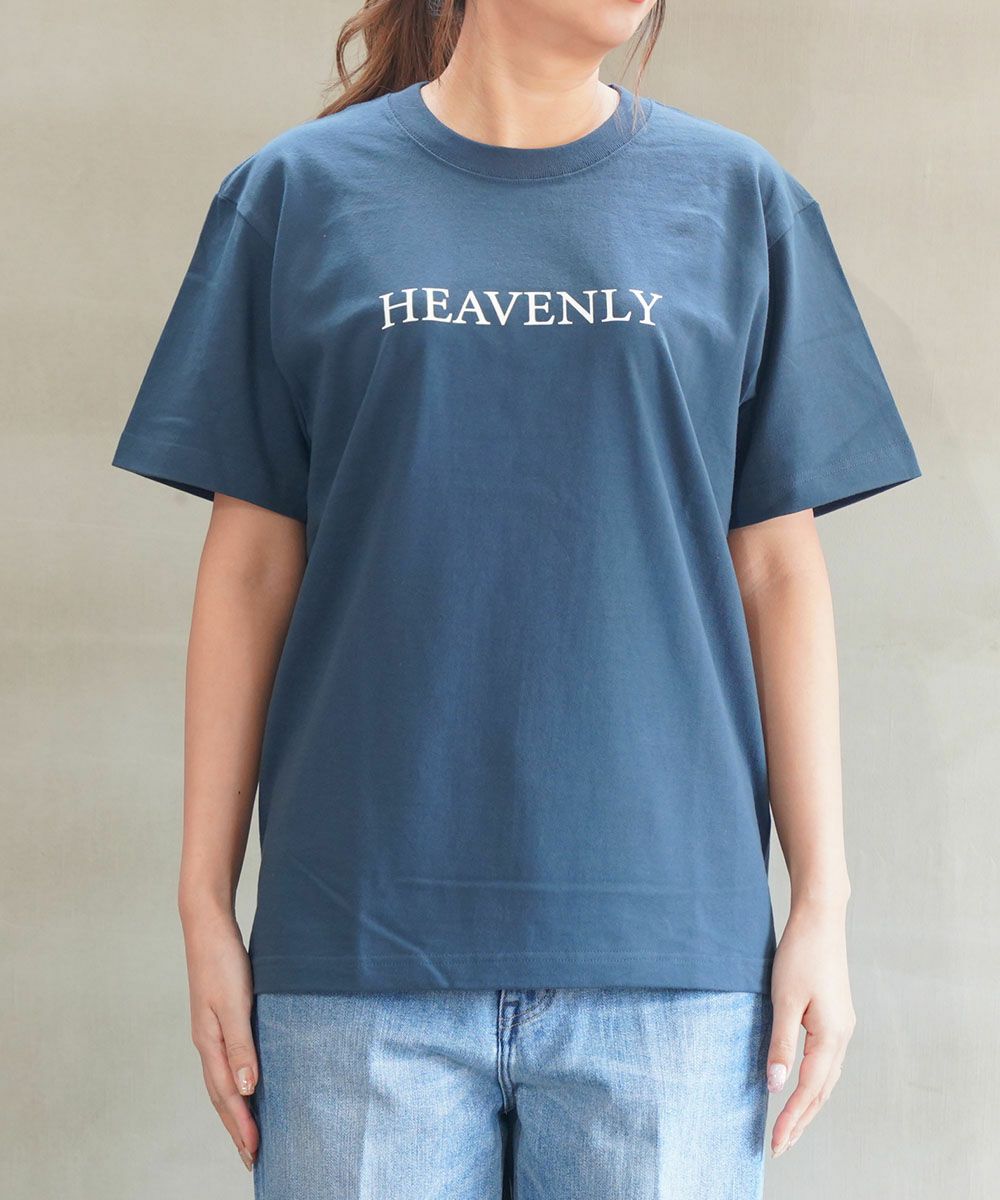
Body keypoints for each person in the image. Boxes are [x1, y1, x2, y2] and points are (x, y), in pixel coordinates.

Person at [110, 1, 922, 1196]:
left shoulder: (739, 199)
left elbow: (777, 572)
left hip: (669, 957)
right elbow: (249, 571)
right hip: (359, 947)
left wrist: (822, 906)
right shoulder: (295, 197)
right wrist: (202, 909)